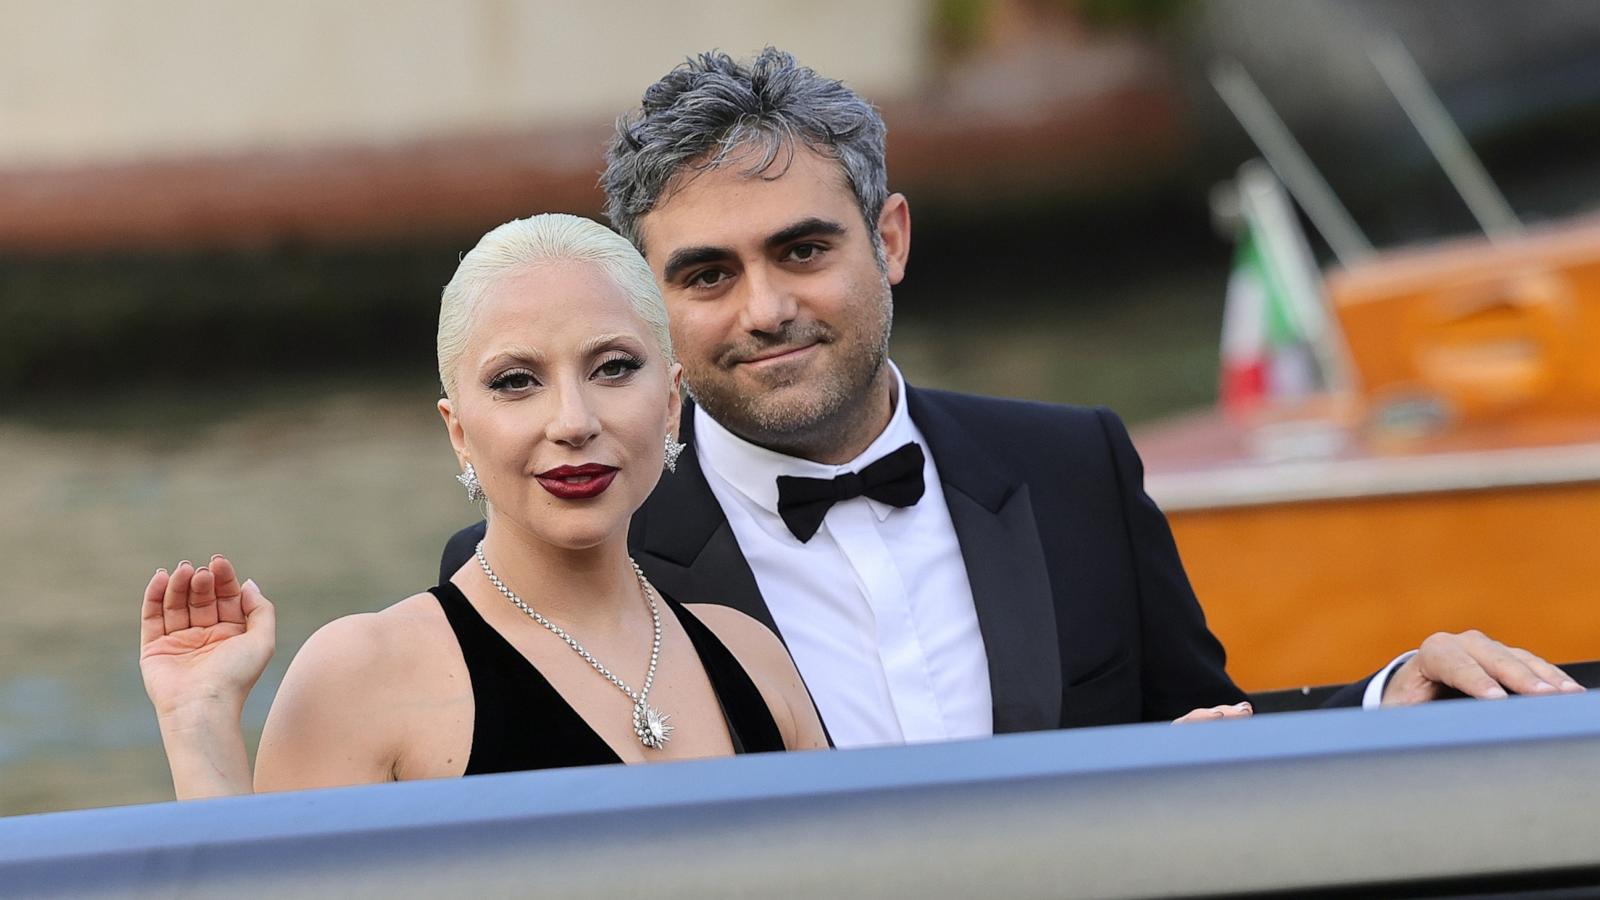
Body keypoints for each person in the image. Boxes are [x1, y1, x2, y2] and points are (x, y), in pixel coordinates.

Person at [442, 49, 1583, 746]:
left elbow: (1196, 737)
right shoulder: (545, 556)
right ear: (653, 303)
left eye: (801, 250)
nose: (763, 309)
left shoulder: (1074, 463)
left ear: (887, 239)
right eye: (705, 275)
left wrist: (1390, 699)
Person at [141, 214, 827, 799]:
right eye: (516, 381)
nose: (572, 421)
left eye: (613, 367)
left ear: (672, 403)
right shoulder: (361, 676)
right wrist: (198, 722)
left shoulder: (753, 657)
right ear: (458, 432)